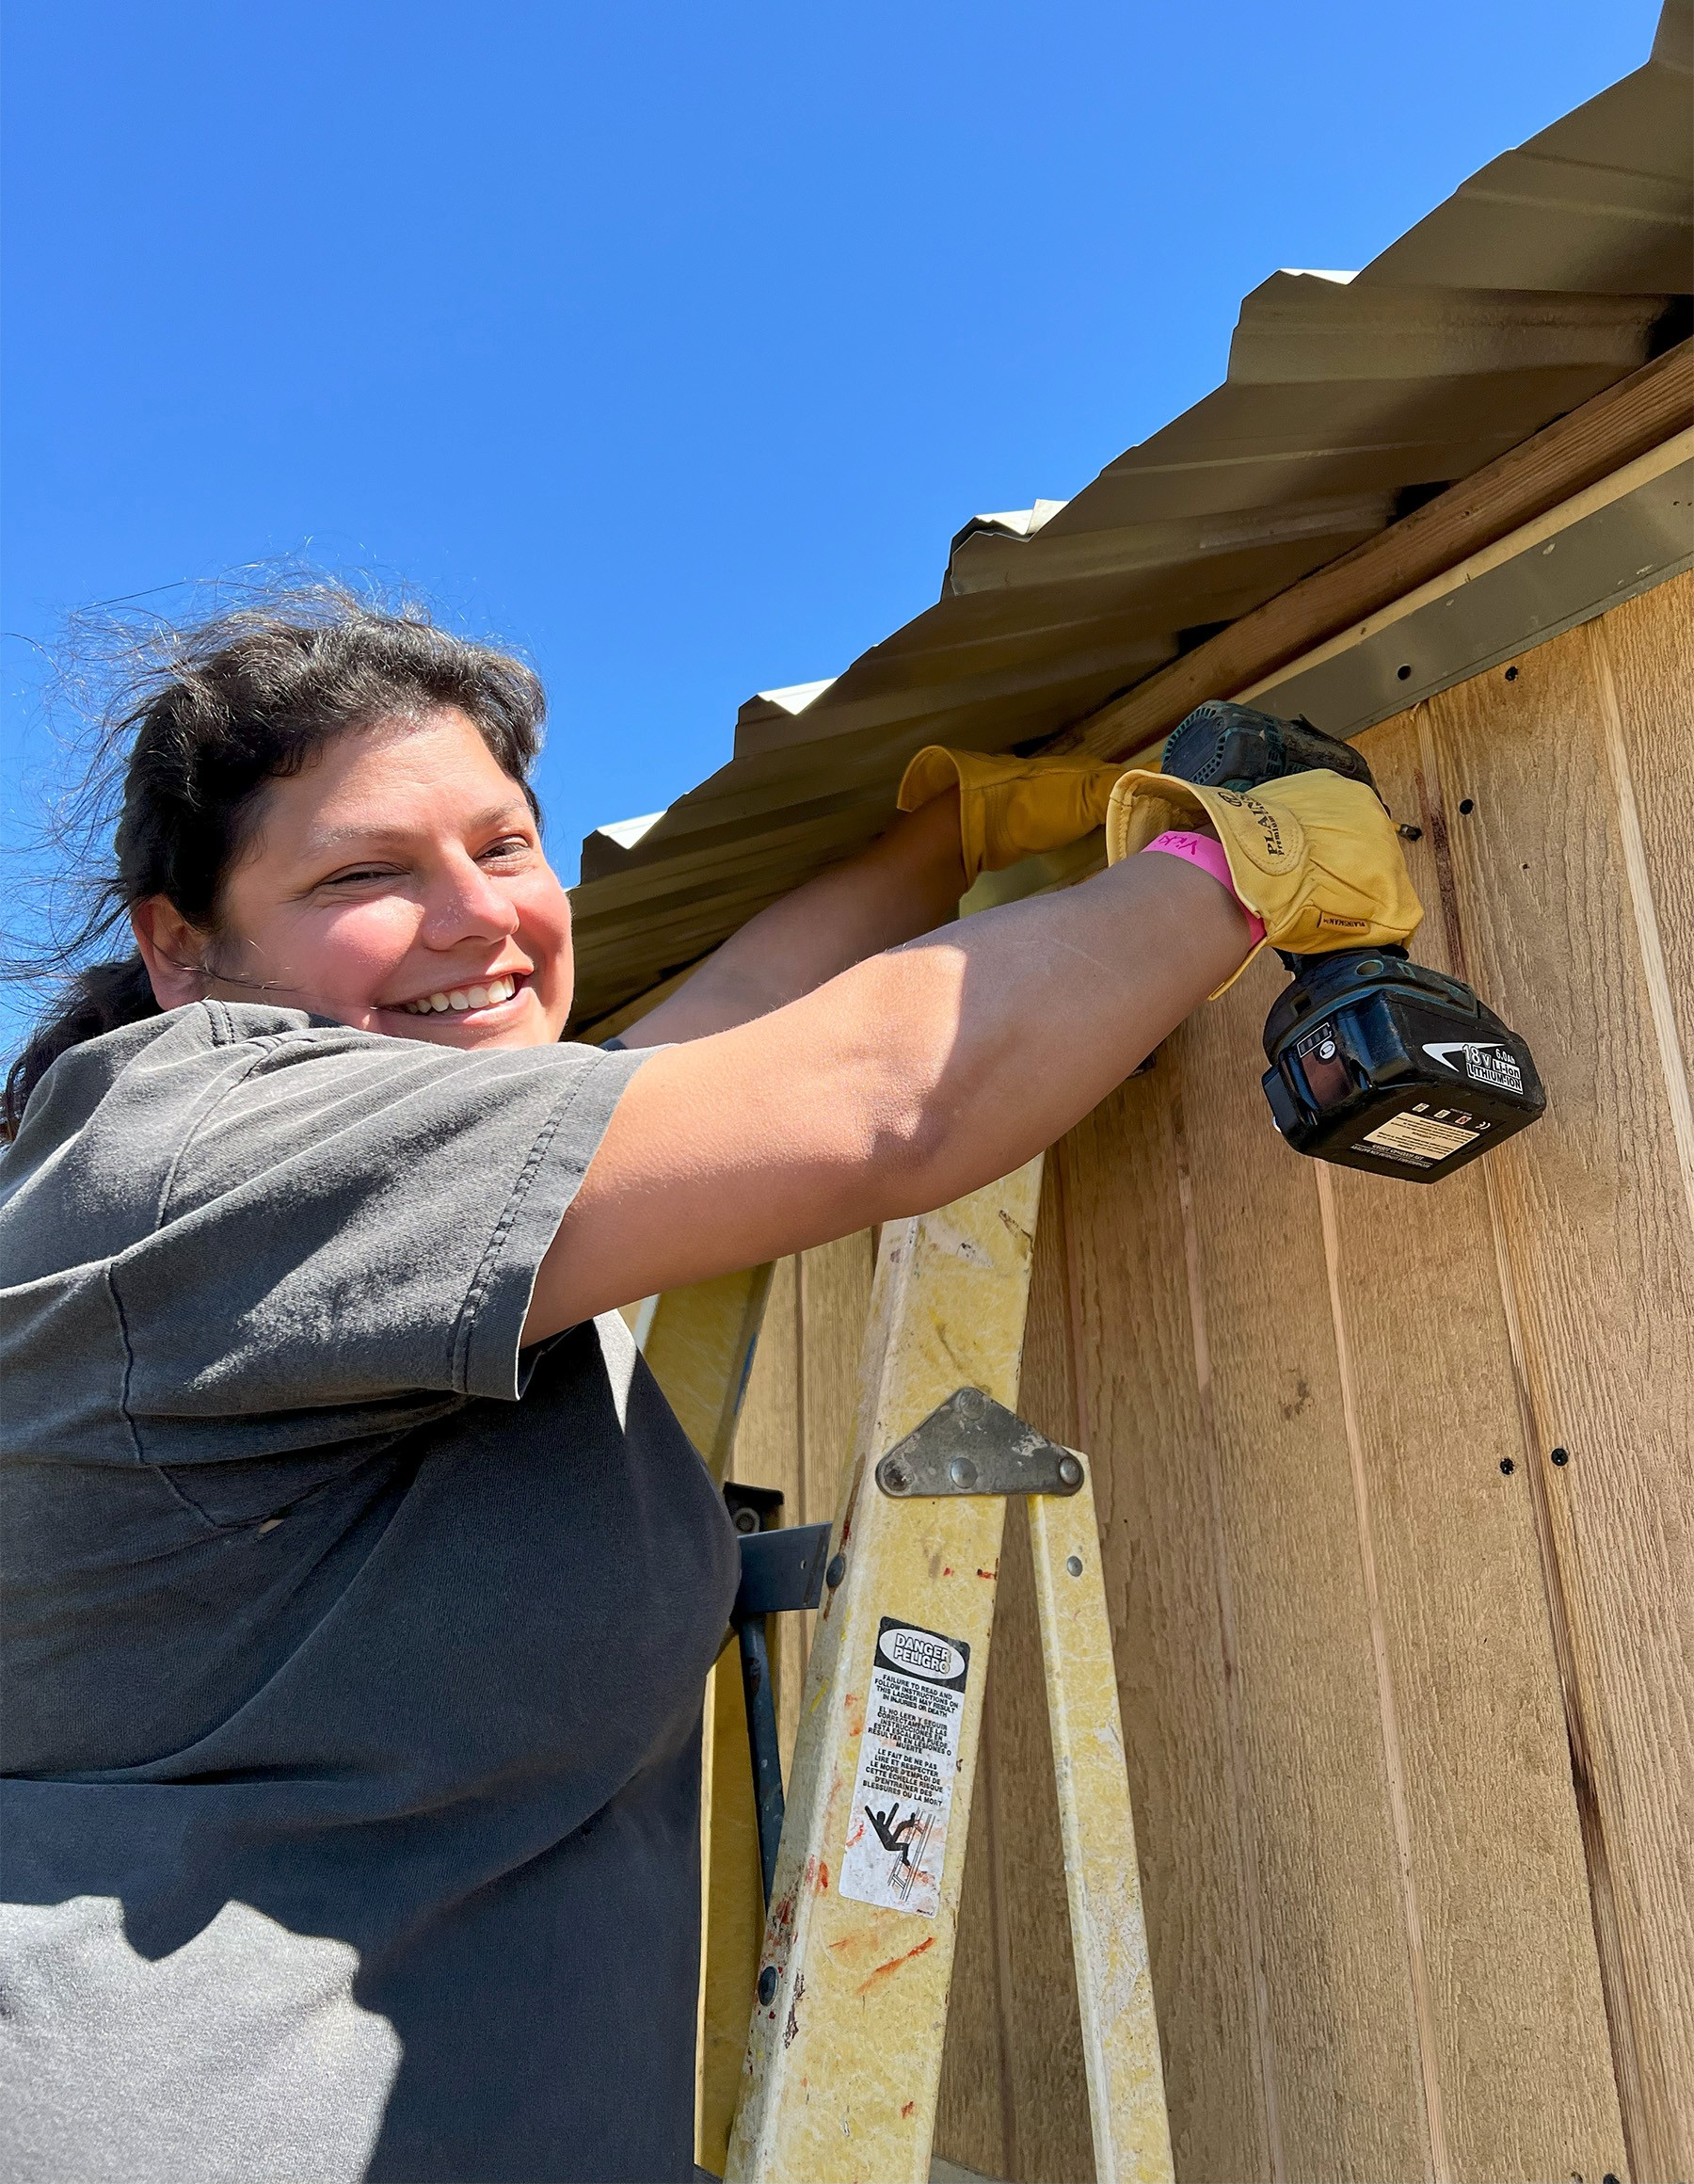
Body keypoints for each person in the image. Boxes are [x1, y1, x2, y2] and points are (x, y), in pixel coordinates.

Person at [0, 584, 1419, 2184]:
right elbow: (884, 1102)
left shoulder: (412, 1202)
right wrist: (1244, 866)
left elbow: (713, 1050)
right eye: (365, 875)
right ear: (184, 952)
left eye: (505, 845)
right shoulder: (204, 1138)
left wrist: (949, 839)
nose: (477, 917)